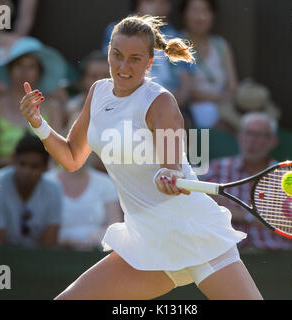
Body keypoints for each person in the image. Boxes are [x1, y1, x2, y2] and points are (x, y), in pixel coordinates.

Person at [20, 15, 262, 300]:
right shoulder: (98, 92)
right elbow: (73, 158)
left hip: (192, 232)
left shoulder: (161, 102)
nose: (123, 67)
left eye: (135, 59)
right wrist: (38, 124)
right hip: (147, 241)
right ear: (109, 52)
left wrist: (168, 176)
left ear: (149, 62)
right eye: (117, 56)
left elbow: (172, 166)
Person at [201, 112, 292, 251]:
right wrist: (250, 217)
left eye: (259, 136)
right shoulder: (216, 169)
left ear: (273, 141)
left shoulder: (289, 177)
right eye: (247, 133)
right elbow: (202, 208)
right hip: (230, 256)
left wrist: (232, 211)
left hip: (277, 256)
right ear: (239, 136)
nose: (251, 141)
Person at [0, 36, 66, 170]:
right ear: (10, 69)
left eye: (31, 66)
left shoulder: (53, 107)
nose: (24, 71)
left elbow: (58, 152)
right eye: (19, 65)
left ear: (39, 73)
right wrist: (23, 167)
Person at [102, 0, 193, 109]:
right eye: (150, 1)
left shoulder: (176, 36)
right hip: (125, 102)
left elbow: (186, 82)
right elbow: (107, 69)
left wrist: (169, 103)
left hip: (169, 105)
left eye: (162, 2)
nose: (156, 6)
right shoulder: (115, 30)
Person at [180, 0, 239, 129]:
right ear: (184, 14)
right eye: (194, 10)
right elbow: (184, 90)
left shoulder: (221, 45)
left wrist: (227, 97)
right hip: (192, 110)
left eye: (205, 10)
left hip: (224, 106)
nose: (200, 16)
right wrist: (218, 98)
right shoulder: (176, 44)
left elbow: (233, 84)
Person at [45, 161, 123, 251]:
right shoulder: (46, 181)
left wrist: (98, 236)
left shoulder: (106, 183)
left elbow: (115, 226)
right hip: (54, 252)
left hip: (96, 252)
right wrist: (60, 241)